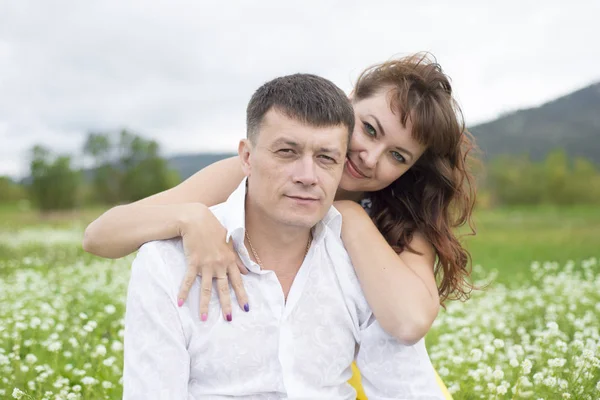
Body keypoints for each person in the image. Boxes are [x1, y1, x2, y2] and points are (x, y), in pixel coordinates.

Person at [86, 52, 475, 398]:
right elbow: (99, 236)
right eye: (370, 129)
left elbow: (408, 323)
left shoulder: (397, 215)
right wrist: (190, 216)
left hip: (351, 367)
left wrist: (351, 219)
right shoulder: (244, 176)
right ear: (348, 102)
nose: (370, 157)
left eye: (397, 155)